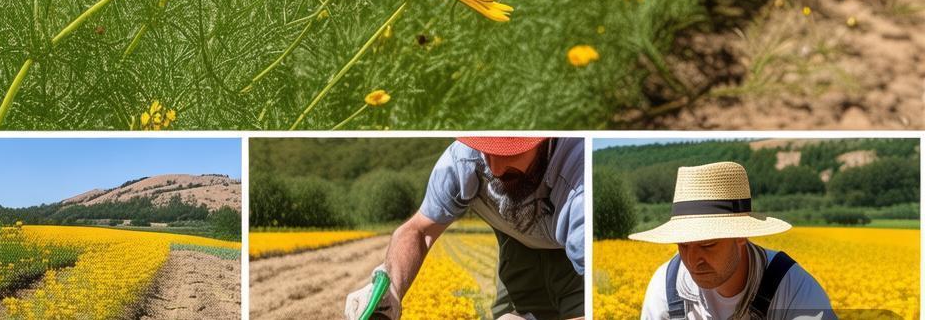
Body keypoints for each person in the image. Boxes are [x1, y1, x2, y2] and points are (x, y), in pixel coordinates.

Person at [344, 136, 584, 320]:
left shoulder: (579, 183)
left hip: (572, 262)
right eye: (487, 151)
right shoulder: (461, 160)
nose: (495, 169)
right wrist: (392, 288)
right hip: (518, 246)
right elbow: (419, 230)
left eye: (510, 152)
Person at [632, 162, 835, 320]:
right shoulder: (665, 286)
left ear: (741, 236)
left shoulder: (795, 290)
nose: (692, 261)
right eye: (683, 245)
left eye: (707, 245)